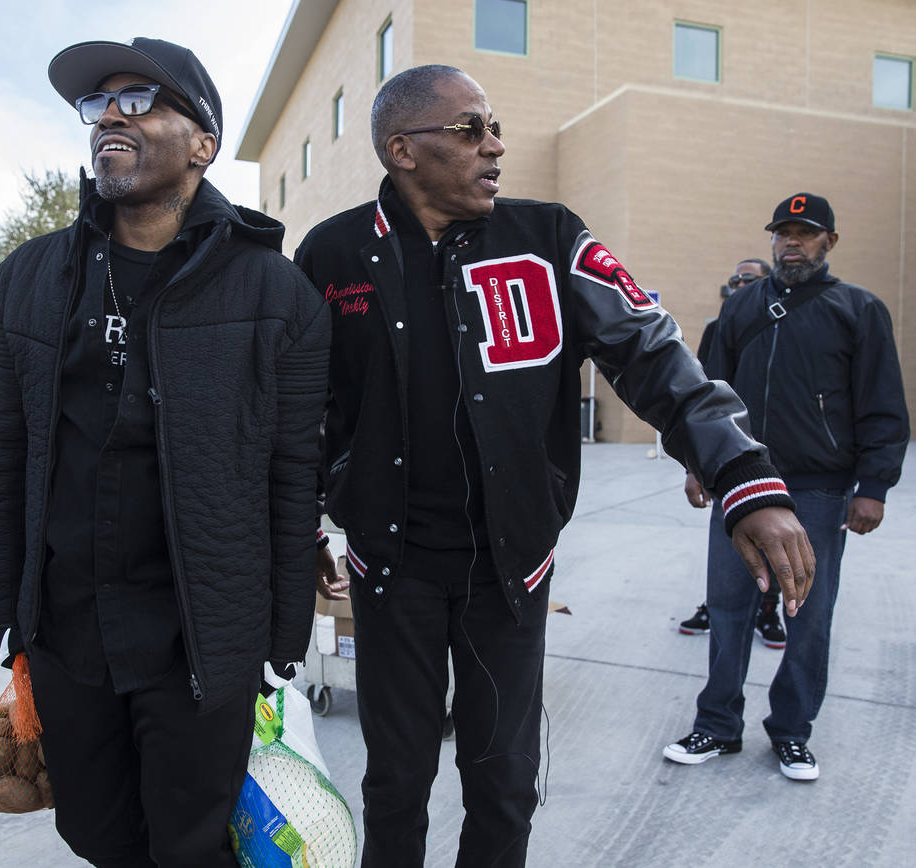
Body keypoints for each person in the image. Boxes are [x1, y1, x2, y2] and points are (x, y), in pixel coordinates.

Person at [295, 65, 814, 867]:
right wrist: (300, 527)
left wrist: (743, 476)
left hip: (512, 570)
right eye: (469, 129)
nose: (494, 145)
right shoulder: (331, 254)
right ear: (402, 149)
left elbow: (651, 351)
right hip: (388, 567)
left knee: (501, 784)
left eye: (494, 125)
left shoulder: (549, 237)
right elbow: (297, 413)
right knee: (394, 782)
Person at [0, 37, 330, 865]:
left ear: (203, 143)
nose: (109, 117)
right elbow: (11, 450)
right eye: (97, 105)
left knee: (190, 842)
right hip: (67, 626)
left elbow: (289, 475)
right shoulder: (26, 280)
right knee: (94, 832)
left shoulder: (276, 294)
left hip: (199, 636)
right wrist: (8, 609)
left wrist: (281, 634)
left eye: (138, 101)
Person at [664, 193, 909, 781]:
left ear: (829, 242)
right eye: (783, 233)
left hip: (820, 490)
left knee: (809, 615)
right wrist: (699, 464)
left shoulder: (859, 309)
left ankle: (792, 731)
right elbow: (705, 393)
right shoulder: (742, 308)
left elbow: (882, 403)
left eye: (805, 233)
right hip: (742, 483)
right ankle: (718, 725)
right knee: (727, 609)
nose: (791, 243)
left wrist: (873, 484)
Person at [679, 257, 787, 649]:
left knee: (775, 543)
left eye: (751, 279)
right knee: (728, 548)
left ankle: (768, 609)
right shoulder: (719, 328)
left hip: (782, 463)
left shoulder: (786, 325)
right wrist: (695, 466)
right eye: (736, 279)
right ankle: (716, 605)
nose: (741, 284)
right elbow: (699, 399)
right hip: (731, 463)